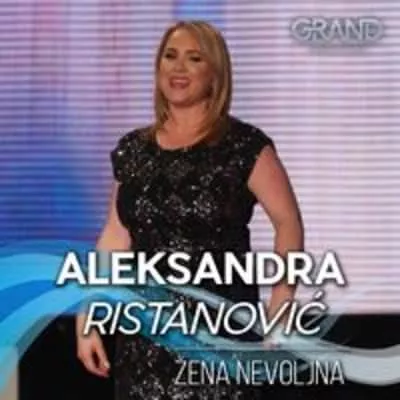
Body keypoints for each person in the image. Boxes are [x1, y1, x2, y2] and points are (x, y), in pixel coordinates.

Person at [76, 20, 304, 400]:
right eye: (170, 56)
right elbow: (116, 235)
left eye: (194, 58)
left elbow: (288, 222)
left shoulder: (243, 147)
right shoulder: (134, 151)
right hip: (145, 342)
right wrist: (88, 315)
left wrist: (280, 311)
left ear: (215, 73)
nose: (178, 67)